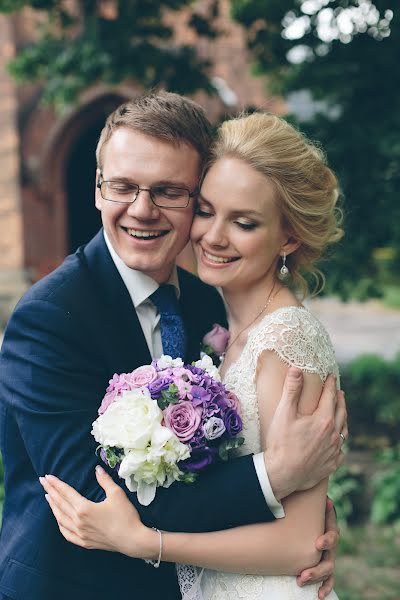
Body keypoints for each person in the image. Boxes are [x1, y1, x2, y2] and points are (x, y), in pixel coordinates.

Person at [0, 94, 345, 600]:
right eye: (122, 186)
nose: (142, 209)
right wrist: (274, 478)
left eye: (169, 192)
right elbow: (103, 500)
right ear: (97, 190)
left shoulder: (211, 303)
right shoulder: (50, 318)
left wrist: (302, 529)